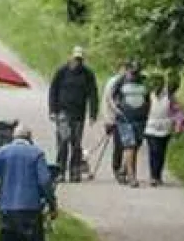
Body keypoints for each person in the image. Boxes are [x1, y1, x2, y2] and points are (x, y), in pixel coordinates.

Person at [47, 46, 100, 182]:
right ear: (71, 57)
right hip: (62, 113)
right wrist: (52, 110)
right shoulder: (62, 71)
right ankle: (60, 171)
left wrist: (93, 113)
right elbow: (53, 90)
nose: (78, 62)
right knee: (63, 141)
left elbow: (93, 93)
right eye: (76, 59)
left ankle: (74, 172)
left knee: (76, 144)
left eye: (80, 59)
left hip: (79, 114)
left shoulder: (88, 74)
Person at [111, 61, 151, 187]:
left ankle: (124, 169)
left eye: (136, 71)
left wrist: (147, 111)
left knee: (136, 145)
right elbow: (111, 97)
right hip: (125, 119)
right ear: (127, 70)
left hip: (140, 119)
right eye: (131, 71)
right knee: (130, 146)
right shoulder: (120, 81)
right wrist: (115, 109)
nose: (133, 74)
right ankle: (132, 177)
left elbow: (148, 98)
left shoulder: (144, 81)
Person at [144, 75, 184, 187]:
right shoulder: (148, 95)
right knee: (153, 151)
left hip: (165, 129)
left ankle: (158, 175)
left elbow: (178, 111)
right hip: (150, 128)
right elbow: (144, 109)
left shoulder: (170, 97)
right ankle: (153, 176)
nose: (156, 86)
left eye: (159, 84)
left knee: (161, 153)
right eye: (154, 84)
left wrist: (178, 126)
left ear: (163, 85)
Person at [100, 61, 129, 180]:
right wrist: (108, 120)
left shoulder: (130, 82)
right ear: (119, 69)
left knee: (128, 145)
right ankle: (117, 168)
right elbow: (107, 101)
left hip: (128, 118)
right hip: (116, 118)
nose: (126, 71)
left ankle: (125, 169)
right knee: (119, 145)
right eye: (124, 69)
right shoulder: (113, 82)